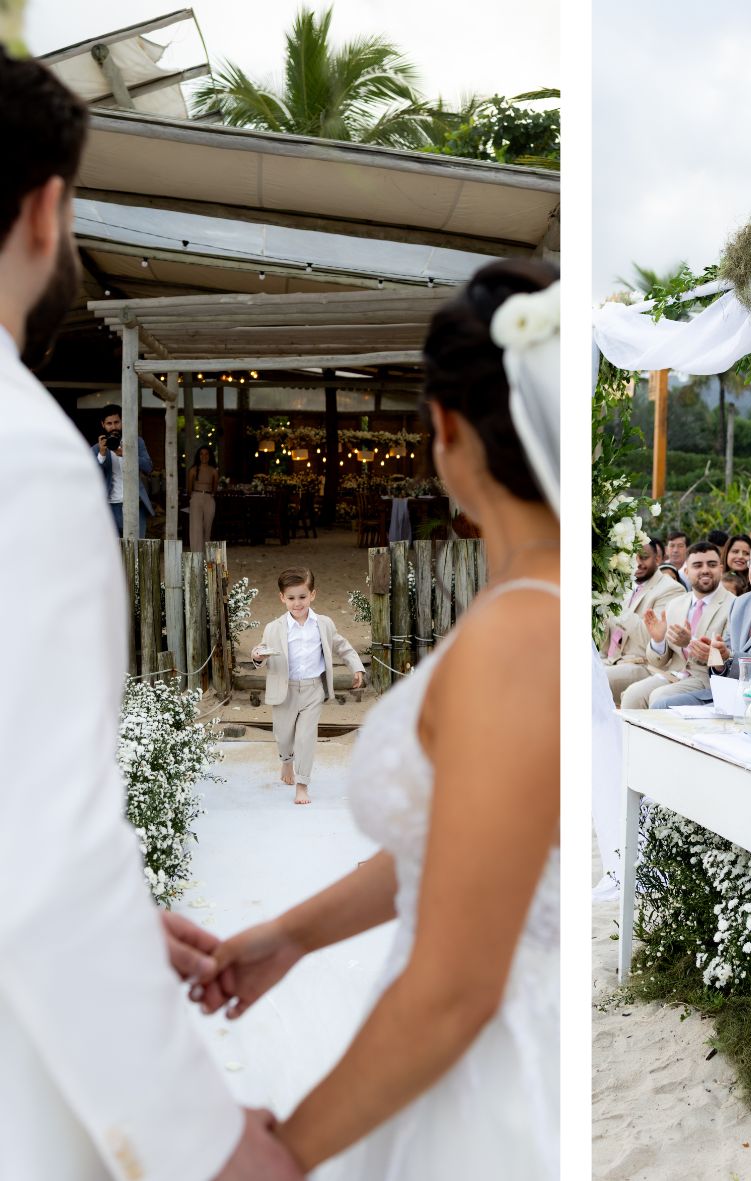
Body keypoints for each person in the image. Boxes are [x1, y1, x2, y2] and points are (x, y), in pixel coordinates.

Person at [0, 53, 302, 1180]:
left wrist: (122, 913)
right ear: (45, 207)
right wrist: (207, 1144)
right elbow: (37, 849)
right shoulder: (25, 451)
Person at [195, 259, 562, 1175]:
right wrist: (289, 935)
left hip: (484, 1071)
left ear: (445, 430)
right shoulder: (527, 609)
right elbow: (459, 850)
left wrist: (284, 1153)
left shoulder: (517, 635)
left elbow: (455, 989)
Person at [250, 568, 366, 805]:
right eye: (291, 598)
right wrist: (257, 656)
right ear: (282, 598)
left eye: (302, 597)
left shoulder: (323, 624)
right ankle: (286, 761)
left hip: (313, 690)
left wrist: (357, 667)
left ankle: (302, 785)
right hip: (285, 690)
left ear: (312, 595)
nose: (297, 603)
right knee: (283, 736)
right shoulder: (274, 628)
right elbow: (262, 652)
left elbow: (342, 646)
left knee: (305, 738)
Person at [663, 533, 751, 707]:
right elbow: (724, 658)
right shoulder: (741, 602)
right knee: (662, 705)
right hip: (727, 693)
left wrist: (729, 657)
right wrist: (715, 655)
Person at [619, 542, 734, 709]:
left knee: (659, 697)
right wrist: (658, 641)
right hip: (672, 673)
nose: (705, 570)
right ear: (686, 572)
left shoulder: (733, 605)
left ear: (721, 568)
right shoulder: (676, 604)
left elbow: (727, 660)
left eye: (712, 564)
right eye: (697, 565)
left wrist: (690, 642)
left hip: (705, 679)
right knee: (633, 694)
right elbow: (658, 661)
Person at [604, 537, 688, 704]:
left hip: (645, 666)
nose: (637, 563)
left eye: (643, 557)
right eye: (632, 558)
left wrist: (616, 606)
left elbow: (649, 639)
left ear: (658, 559)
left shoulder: (671, 589)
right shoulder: (626, 587)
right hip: (611, 660)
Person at [93, 402, 156, 538]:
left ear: (123, 422)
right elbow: (90, 478)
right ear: (103, 425)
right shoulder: (97, 449)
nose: (114, 427)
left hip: (135, 504)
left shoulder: (136, 442)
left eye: (117, 422)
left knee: (137, 550)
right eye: (109, 424)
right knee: (113, 553)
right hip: (109, 507)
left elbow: (149, 467)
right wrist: (102, 455)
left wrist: (127, 454)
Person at [187, 443, 220, 553]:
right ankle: (196, 553)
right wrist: (194, 497)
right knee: (196, 527)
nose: (204, 456)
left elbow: (215, 487)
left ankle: (206, 554)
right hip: (196, 497)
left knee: (207, 527)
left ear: (210, 456)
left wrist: (211, 495)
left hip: (209, 498)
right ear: (198, 456)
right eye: (201, 454)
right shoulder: (193, 470)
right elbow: (189, 488)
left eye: (206, 454)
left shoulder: (213, 471)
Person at [721, 532, 751, 597]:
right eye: (735, 551)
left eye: (746, 553)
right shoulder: (715, 581)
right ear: (727, 553)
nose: (740, 556)